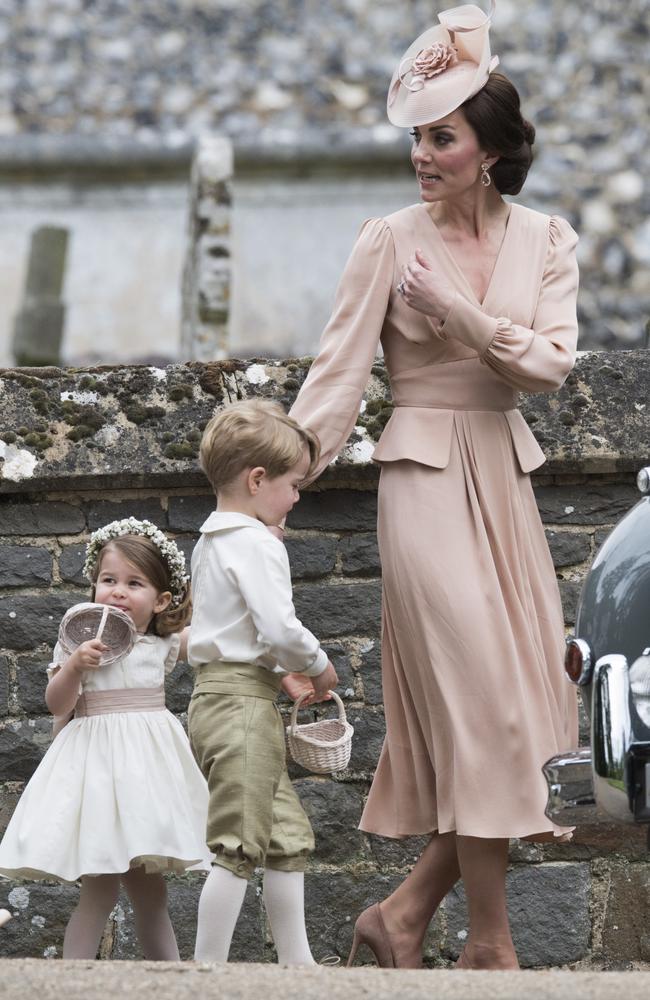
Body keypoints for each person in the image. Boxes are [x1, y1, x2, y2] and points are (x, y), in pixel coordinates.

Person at [289, 0, 579, 971]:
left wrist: (455, 314)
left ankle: (405, 913)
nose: (421, 153)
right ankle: (488, 943)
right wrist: (278, 476)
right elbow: (334, 379)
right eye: (415, 136)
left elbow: (542, 369)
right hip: (417, 477)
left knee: (521, 716)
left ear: (487, 149)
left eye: (440, 136)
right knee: (482, 703)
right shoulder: (385, 237)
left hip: (500, 474)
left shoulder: (546, 241)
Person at [0, 518, 210, 960]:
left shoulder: (163, 645)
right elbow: (58, 704)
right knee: (99, 891)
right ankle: (73, 982)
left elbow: (220, 641)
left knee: (152, 895)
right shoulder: (77, 640)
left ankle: (170, 981)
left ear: (161, 601)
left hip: (145, 780)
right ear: (93, 585)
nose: (117, 591)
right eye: (108, 580)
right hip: (95, 776)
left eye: (134, 584)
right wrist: (75, 667)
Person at [188, 399, 339, 965]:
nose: (298, 497)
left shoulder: (211, 542)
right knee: (238, 842)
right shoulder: (255, 542)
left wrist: (281, 679)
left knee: (285, 836)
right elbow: (278, 626)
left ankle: (297, 965)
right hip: (240, 709)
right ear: (258, 479)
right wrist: (316, 665)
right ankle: (207, 970)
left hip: (225, 697)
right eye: (295, 484)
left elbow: (235, 629)